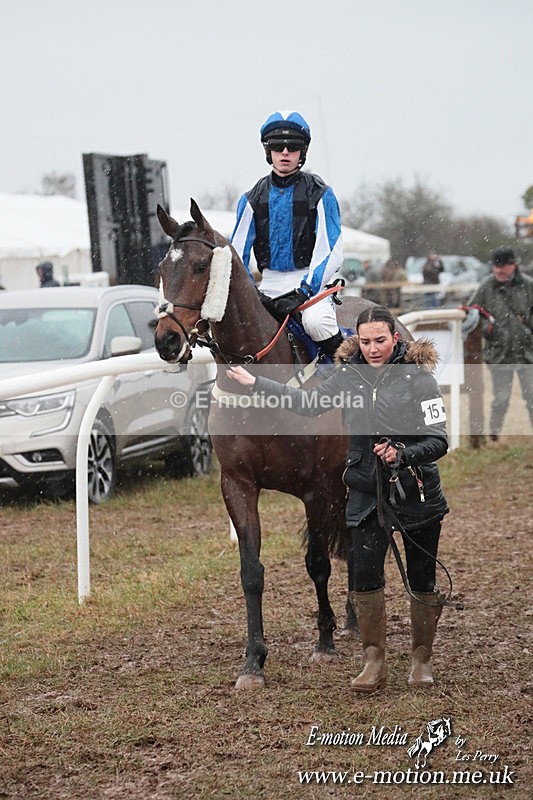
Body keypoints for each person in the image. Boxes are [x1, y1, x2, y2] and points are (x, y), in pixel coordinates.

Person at [227, 305, 449, 692]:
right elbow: (305, 403)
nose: (373, 348)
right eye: (365, 341)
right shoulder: (348, 376)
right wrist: (256, 384)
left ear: (395, 338)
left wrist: (403, 453)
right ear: (356, 341)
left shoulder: (419, 379)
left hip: (416, 492)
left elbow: (439, 439)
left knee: (421, 578)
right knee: (363, 578)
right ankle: (373, 661)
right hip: (365, 493)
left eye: (380, 340)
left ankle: (421, 660)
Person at [231, 110, 344, 358]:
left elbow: (331, 251)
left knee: (316, 322)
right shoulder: (250, 199)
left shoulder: (321, 194)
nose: (285, 153)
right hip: (267, 283)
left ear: (302, 152)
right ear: (268, 151)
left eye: (292, 147)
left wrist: (305, 290)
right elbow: (237, 255)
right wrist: (251, 293)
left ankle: (351, 378)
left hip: (309, 282)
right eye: (277, 146)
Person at [468, 246, 533, 440]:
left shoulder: (529, 285)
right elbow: (472, 311)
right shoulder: (486, 286)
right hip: (499, 352)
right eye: (496, 267)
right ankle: (494, 435)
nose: (498, 271)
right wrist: (488, 327)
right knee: (501, 399)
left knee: (532, 398)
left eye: (503, 267)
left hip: (528, 352)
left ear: (514, 265)